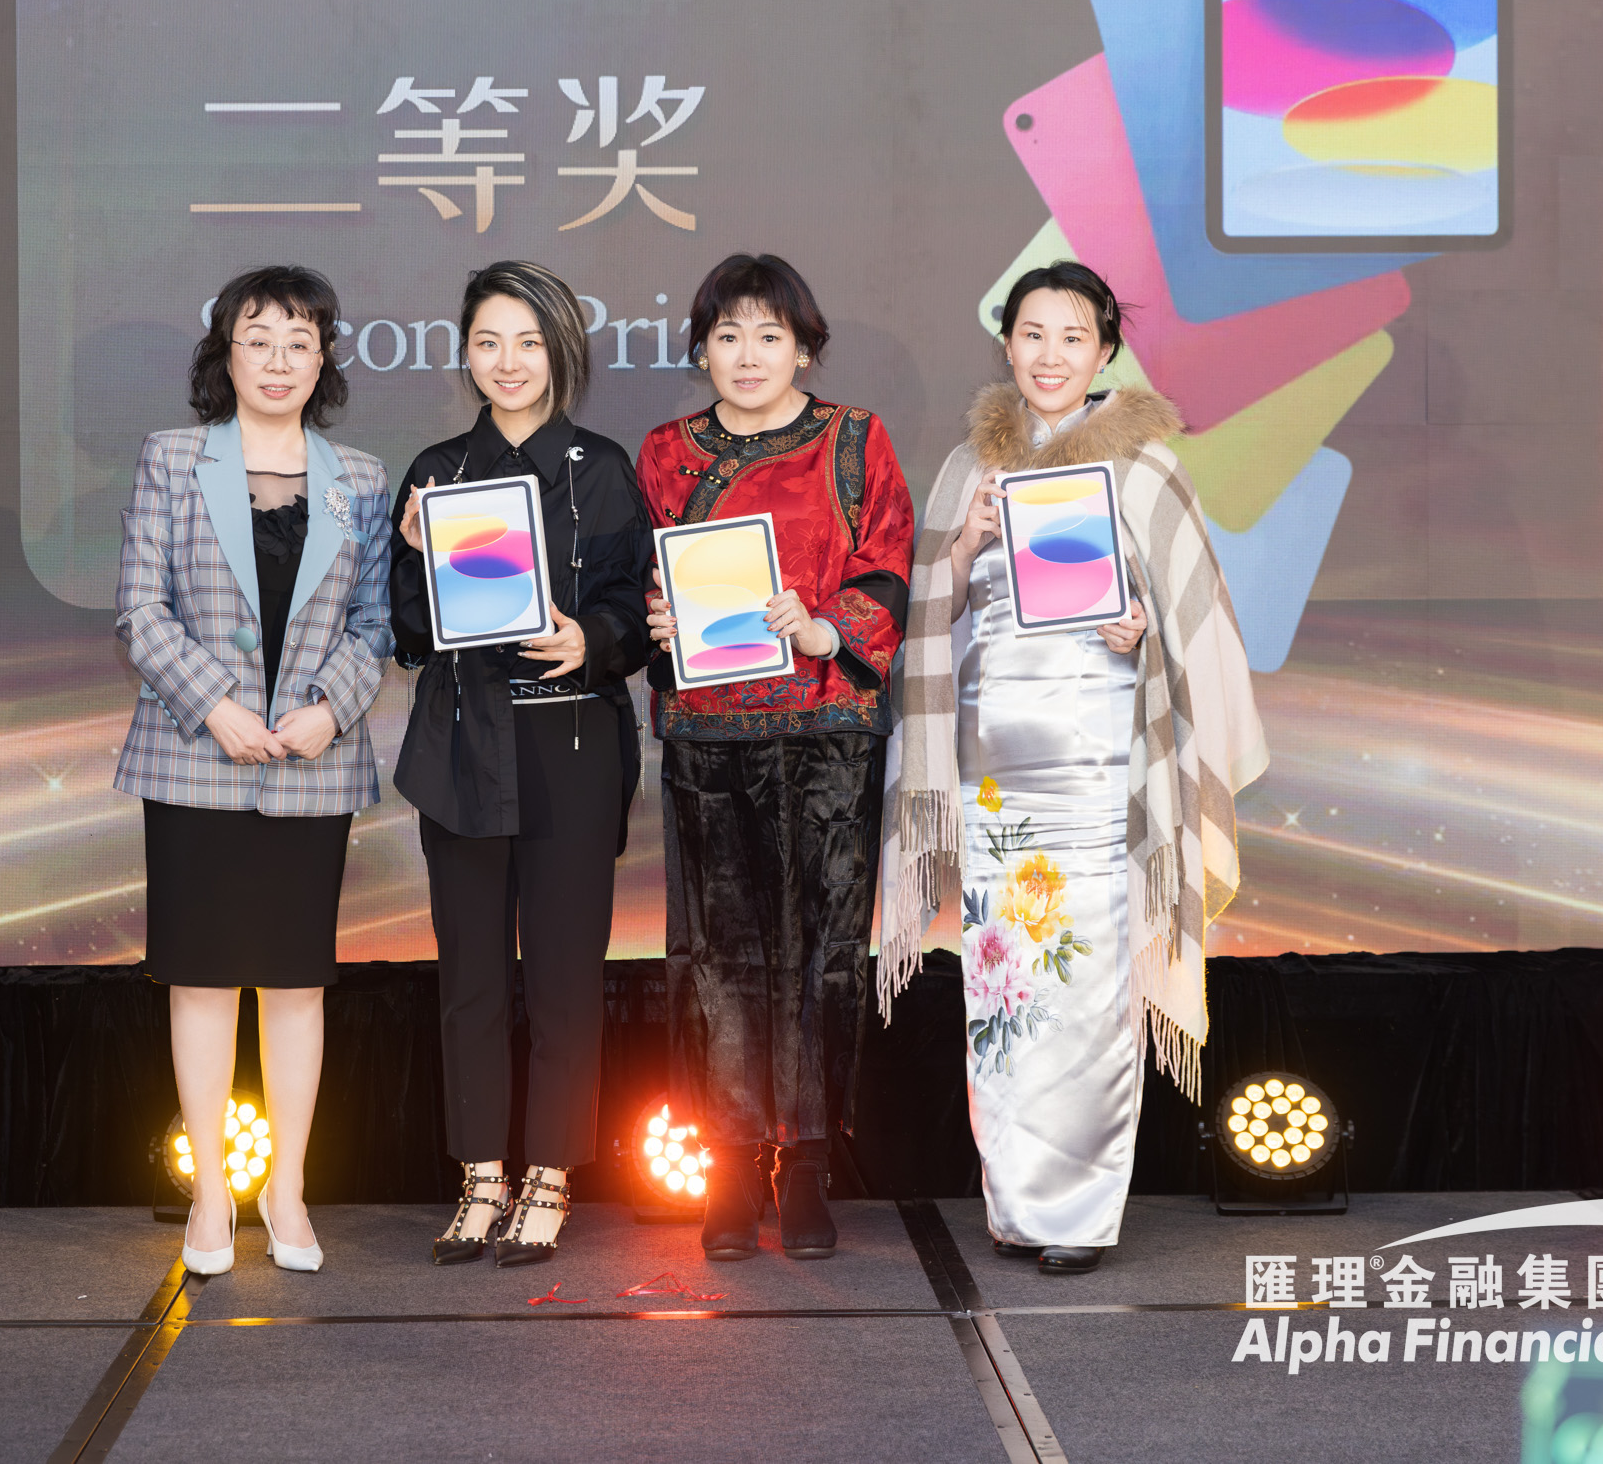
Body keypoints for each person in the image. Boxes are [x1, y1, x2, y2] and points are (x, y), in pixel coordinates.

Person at [880, 260, 1268, 1274]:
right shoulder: (969, 465)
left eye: (1072, 337)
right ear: (1006, 343)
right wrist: (960, 550)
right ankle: (1018, 1208)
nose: (1050, 356)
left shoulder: (1145, 467)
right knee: (1004, 990)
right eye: (1032, 334)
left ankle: (1081, 1215)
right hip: (993, 774)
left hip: (1097, 769)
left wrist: (1139, 631)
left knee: (1089, 988)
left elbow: (1190, 625)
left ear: (1104, 352)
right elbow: (925, 621)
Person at [113, 264, 393, 1277]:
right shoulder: (173, 458)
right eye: (258, 340)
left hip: (312, 765)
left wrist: (330, 710)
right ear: (224, 354)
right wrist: (215, 707)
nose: (278, 361)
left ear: (324, 360)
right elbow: (140, 610)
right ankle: (209, 1198)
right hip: (196, 760)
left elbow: (377, 622)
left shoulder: (360, 478)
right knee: (199, 982)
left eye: (299, 342)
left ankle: (288, 1191)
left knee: (295, 985)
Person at [638, 253, 915, 1261]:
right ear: (702, 349)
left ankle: (805, 1164)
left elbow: (887, 564)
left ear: (803, 347)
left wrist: (825, 627)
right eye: (727, 336)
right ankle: (728, 1165)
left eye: (769, 335)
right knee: (719, 957)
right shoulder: (665, 453)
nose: (747, 355)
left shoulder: (855, 439)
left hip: (827, 733)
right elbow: (643, 584)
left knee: (822, 952)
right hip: (708, 739)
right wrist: (659, 621)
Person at [390, 260, 650, 1269]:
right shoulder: (436, 473)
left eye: (529, 342)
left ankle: (548, 1175)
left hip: (570, 745)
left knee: (563, 977)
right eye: (488, 342)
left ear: (561, 351)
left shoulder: (603, 468)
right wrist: (420, 556)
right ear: (465, 352)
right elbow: (408, 635)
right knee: (470, 978)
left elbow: (635, 612)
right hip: (463, 744)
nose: (508, 362)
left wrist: (591, 639)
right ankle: (478, 1177)